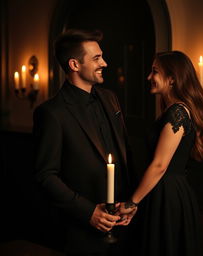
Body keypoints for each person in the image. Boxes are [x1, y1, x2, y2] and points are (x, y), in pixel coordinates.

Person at [33, 29, 131, 256]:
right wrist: (89, 212)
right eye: (96, 58)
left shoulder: (110, 98)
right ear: (75, 65)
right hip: (81, 234)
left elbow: (125, 152)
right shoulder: (51, 113)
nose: (105, 63)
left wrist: (131, 202)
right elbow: (45, 176)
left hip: (124, 224)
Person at [118, 51, 203, 256]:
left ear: (172, 78)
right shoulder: (174, 110)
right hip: (165, 191)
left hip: (167, 194)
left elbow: (160, 165)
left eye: (155, 72)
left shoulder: (177, 112)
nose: (149, 77)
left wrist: (131, 202)